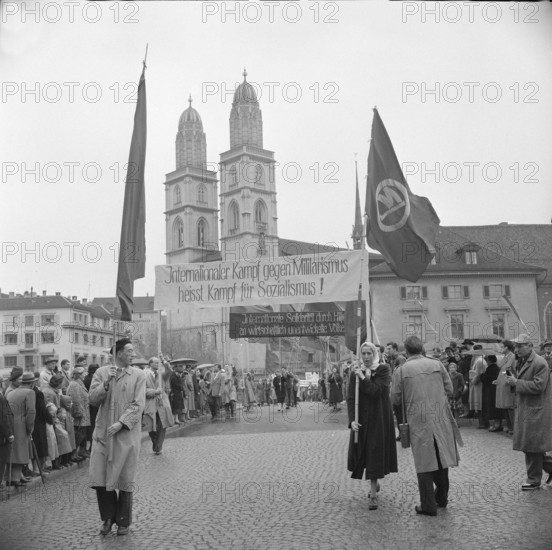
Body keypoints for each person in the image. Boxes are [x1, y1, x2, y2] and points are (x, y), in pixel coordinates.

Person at [391, 336, 461, 516]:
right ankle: (442, 497)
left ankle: (428, 505)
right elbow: (450, 390)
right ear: (422, 349)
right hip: (440, 417)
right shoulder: (437, 364)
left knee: (424, 463)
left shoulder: (401, 370)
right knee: (441, 457)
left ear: (406, 352)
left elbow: (395, 398)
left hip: (418, 419)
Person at [88, 338, 146, 536]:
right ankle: (107, 518)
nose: (133, 354)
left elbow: (138, 405)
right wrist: (105, 384)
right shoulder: (101, 373)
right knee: (101, 478)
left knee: (124, 479)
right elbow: (93, 400)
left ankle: (123, 521)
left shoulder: (138, 375)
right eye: (130, 351)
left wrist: (121, 422)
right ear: (118, 353)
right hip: (103, 434)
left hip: (125, 435)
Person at [348, 341, 398, 511]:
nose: (367, 357)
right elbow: (350, 398)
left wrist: (363, 378)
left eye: (370, 353)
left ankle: (373, 494)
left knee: (374, 452)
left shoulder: (383, 370)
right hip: (361, 418)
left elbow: (376, 391)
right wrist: (351, 421)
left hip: (378, 418)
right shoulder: (355, 372)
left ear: (375, 354)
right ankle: (373, 484)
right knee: (364, 453)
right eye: (364, 354)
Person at [504, 334, 552, 490]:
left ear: (530, 345)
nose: (516, 350)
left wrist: (516, 382)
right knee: (531, 445)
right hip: (528, 408)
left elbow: (539, 386)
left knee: (532, 445)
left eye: (520, 346)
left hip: (536, 410)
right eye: (515, 346)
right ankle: (542, 473)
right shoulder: (523, 361)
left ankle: (533, 479)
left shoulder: (539, 363)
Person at [6, 372, 36, 486]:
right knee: (21, 452)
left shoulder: (12, 392)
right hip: (21, 426)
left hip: (10, 424)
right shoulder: (30, 392)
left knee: (13, 452)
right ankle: (15, 479)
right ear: (32, 383)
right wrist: (30, 427)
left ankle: (12, 478)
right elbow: (31, 412)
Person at [144, 357, 174, 455]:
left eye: (159, 362)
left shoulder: (162, 375)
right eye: (156, 362)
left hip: (162, 403)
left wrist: (164, 361)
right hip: (150, 403)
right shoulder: (144, 375)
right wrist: (154, 392)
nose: (158, 364)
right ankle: (155, 442)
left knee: (162, 425)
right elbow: (142, 390)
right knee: (151, 427)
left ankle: (158, 446)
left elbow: (170, 371)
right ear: (150, 363)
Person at [67, 366, 91, 459]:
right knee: (78, 434)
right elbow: (76, 400)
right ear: (78, 375)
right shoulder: (74, 385)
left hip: (84, 411)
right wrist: (78, 413)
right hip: (80, 413)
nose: (84, 375)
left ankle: (78, 452)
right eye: (83, 373)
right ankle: (73, 454)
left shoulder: (79, 383)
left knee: (82, 433)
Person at [468, 346, 487, 428]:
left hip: (478, 385)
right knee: (478, 403)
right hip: (477, 384)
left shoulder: (479, 361)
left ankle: (482, 423)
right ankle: (482, 422)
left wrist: (473, 381)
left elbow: (479, 373)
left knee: (479, 403)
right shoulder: (479, 360)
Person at [0, 390, 15, 489]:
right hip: (2, 436)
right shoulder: (1, 398)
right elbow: (3, 418)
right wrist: (9, 434)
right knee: (1, 460)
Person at [481, 355, 500, 432]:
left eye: (487, 360)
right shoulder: (496, 367)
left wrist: (482, 375)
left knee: (493, 408)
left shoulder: (491, 368)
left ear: (489, 360)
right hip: (494, 389)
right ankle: (497, 424)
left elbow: (486, 379)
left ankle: (496, 424)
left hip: (490, 390)